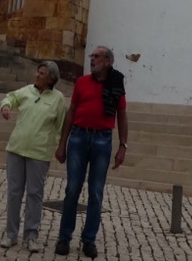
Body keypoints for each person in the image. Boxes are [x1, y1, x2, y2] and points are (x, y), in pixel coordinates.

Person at [55, 46, 128, 259]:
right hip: (78, 137)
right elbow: (71, 112)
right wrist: (62, 143)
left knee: (96, 193)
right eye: (92, 56)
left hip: (102, 140)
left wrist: (123, 146)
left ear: (107, 62)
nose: (92, 59)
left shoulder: (115, 85)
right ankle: (64, 237)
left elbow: (122, 116)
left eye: (97, 56)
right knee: (72, 189)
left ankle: (89, 239)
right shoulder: (81, 82)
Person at [0, 62, 67, 253]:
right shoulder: (27, 91)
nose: (37, 75)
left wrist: (58, 146)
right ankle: (11, 234)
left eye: (42, 73)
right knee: (14, 192)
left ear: (51, 78)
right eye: (37, 72)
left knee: (34, 195)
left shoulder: (58, 99)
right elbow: (10, 98)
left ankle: (31, 236)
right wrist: (5, 106)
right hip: (16, 149)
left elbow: (59, 126)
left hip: (39, 153)